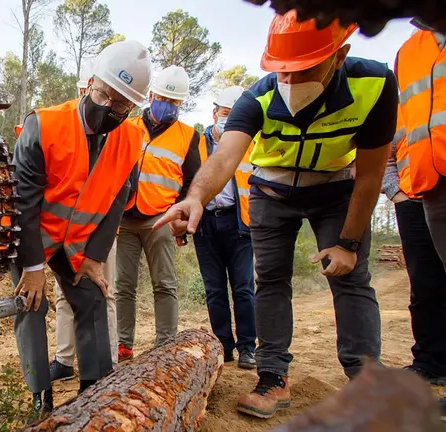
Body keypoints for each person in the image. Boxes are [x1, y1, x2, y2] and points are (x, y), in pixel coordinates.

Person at [154, 10, 398, 419]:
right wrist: (196, 196)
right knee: (269, 281)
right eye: (282, 72)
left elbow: (371, 175)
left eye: (304, 70)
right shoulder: (259, 96)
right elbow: (225, 156)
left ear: (339, 56)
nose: (291, 83)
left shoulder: (374, 85)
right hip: (271, 192)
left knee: (352, 278)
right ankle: (272, 378)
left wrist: (349, 243)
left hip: (337, 189)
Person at [12, 40, 151, 414]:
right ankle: (41, 398)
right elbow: (23, 204)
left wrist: (93, 258)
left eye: (122, 105)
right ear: (90, 84)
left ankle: (96, 391)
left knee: (90, 298)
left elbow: (118, 202)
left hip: (76, 243)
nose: (110, 109)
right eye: (104, 96)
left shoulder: (131, 139)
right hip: (34, 236)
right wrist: (33, 267)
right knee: (31, 304)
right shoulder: (44, 124)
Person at [114, 65, 201, 361]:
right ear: (151, 95)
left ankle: (165, 344)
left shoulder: (188, 136)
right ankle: (123, 344)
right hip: (124, 217)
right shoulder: (127, 126)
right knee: (123, 285)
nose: (169, 106)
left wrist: (182, 219)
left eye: (175, 102)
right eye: (164, 98)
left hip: (161, 218)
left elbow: (192, 182)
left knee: (164, 283)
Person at [48, 56, 120, 382]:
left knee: (104, 290)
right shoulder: (63, 130)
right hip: (64, 231)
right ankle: (64, 359)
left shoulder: (116, 135)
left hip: (100, 229)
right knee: (66, 294)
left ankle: (108, 362)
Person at [392, 19, 446, 386]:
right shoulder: (408, 52)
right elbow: (394, 130)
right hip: (420, 187)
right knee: (425, 284)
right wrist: (393, 187)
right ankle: (430, 362)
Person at [193, 86, 256, 370]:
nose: (228, 121)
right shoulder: (196, 144)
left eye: (234, 116)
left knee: (243, 288)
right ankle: (223, 347)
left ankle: (247, 347)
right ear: (214, 112)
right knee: (214, 289)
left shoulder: (251, 144)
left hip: (240, 223)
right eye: (225, 114)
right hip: (206, 224)